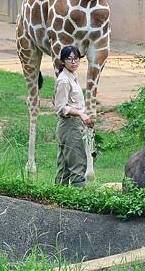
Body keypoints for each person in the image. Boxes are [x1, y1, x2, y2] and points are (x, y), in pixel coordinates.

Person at [53, 46, 93, 187]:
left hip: (72, 125)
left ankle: (58, 200)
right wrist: (81, 114)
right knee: (77, 165)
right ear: (63, 61)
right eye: (69, 59)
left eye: (76, 58)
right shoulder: (64, 80)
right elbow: (61, 107)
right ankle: (79, 203)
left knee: (63, 167)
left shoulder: (72, 77)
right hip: (70, 126)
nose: (73, 62)